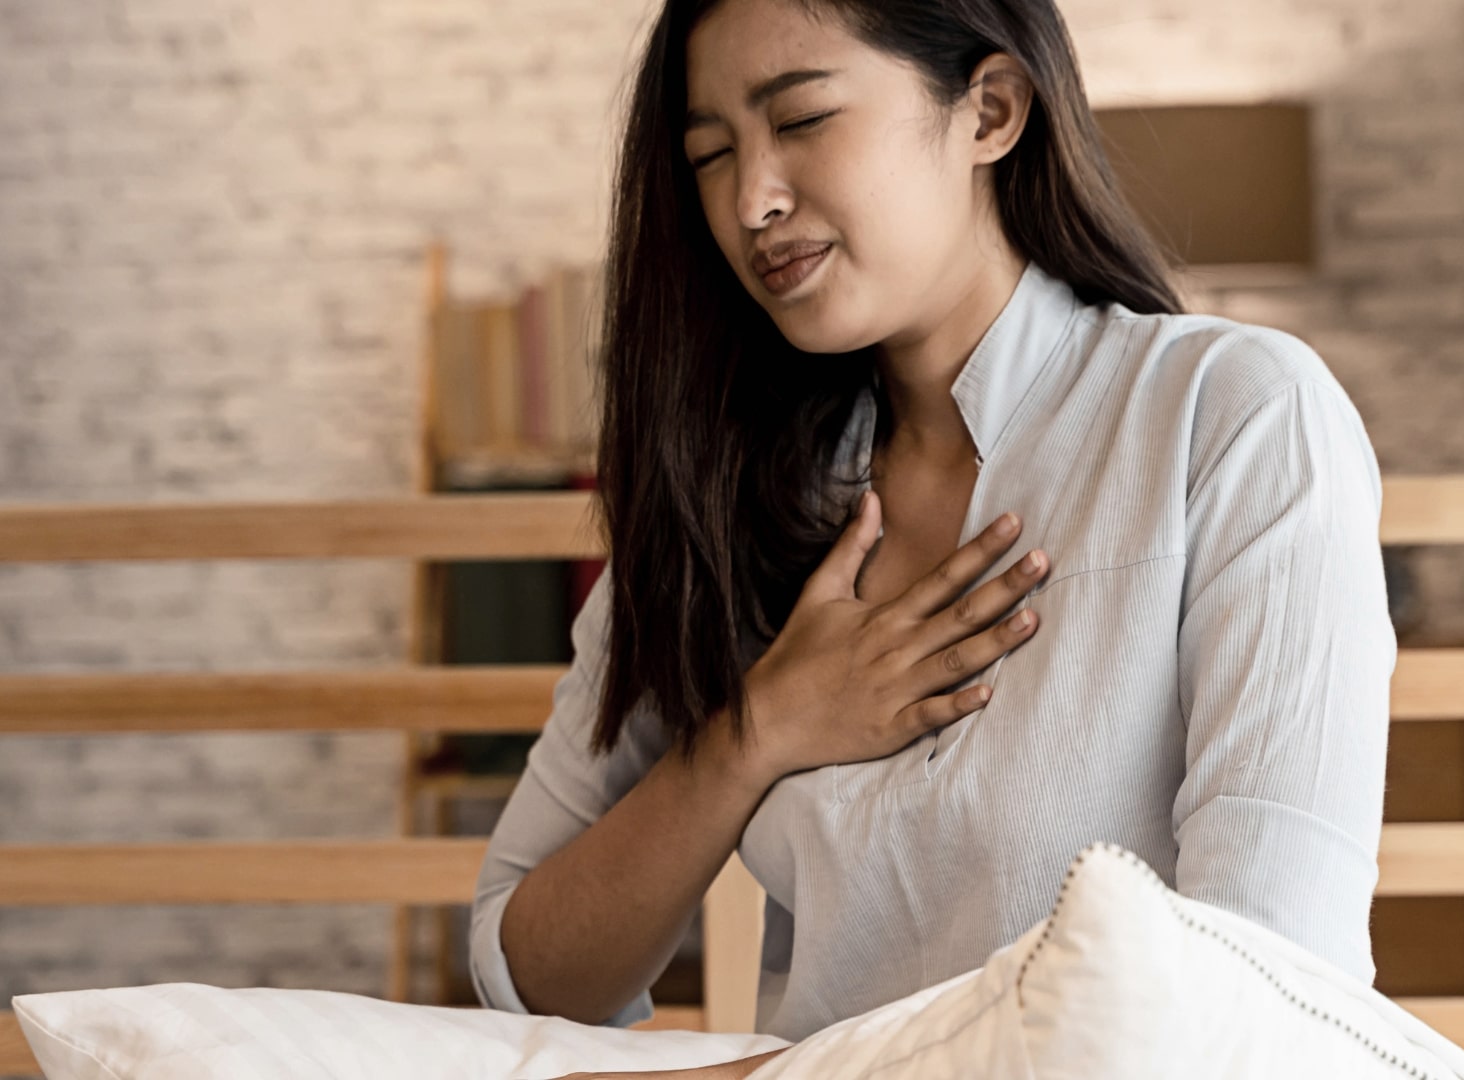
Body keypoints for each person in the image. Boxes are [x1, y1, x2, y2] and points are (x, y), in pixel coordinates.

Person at [469, 0, 1398, 1076]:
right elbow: (524, 969)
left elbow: (1267, 990)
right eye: (710, 154)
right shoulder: (721, 502)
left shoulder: (1233, 417)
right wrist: (758, 731)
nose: (752, 201)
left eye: (804, 120)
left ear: (991, 111)